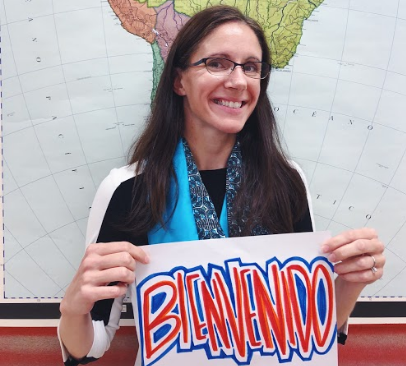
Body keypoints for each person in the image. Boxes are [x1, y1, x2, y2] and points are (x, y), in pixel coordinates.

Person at [58, 5, 385, 365]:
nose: (238, 81)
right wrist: (74, 308)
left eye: (251, 67)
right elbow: (88, 348)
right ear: (179, 80)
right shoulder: (128, 187)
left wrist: (349, 286)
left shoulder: (286, 181)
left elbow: (308, 330)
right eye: (217, 63)